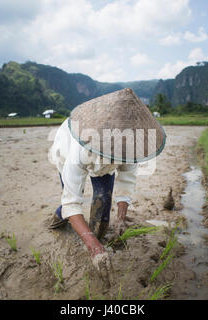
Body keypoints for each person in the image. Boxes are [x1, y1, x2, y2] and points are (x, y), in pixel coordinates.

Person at [48, 88, 166, 282]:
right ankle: (59, 222)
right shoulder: (77, 151)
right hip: (68, 155)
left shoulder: (129, 145)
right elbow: (72, 202)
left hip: (103, 166)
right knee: (67, 206)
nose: (121, 156)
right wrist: (92, 246)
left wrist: (121, 218)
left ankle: (98, 242)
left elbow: (126, 181)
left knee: (103, 209)